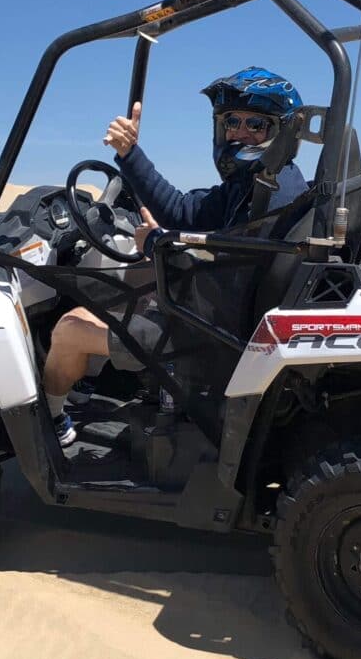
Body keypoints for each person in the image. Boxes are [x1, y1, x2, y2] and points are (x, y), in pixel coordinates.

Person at [44, 67, 306, 445]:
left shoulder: (269, 198)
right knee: (131, 278)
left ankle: (52, 421)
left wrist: (157, 244)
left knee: (69, 328)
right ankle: (87, 380)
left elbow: (222, 273)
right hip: (225, 315)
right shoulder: (264, 183)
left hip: (210, 337)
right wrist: (129, 153)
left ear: (280, 131)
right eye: (232, 121)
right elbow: (184, 211)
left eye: (256, 124)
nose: (241, 132)